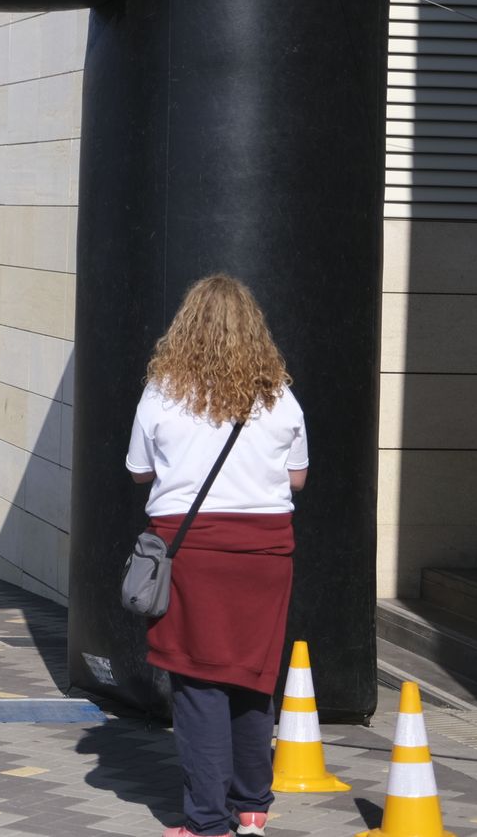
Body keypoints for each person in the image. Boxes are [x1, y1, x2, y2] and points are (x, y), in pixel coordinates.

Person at [124, 274, 307, 837]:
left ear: (185, 328)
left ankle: (207, 821)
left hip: (194, 550)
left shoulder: (162, 392)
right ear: (255, 331)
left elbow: (138, 472)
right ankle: (252, 802)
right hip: (266, 554)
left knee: (198, 680)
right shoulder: (278, 395)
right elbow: (297, 480)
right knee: (253, 672)